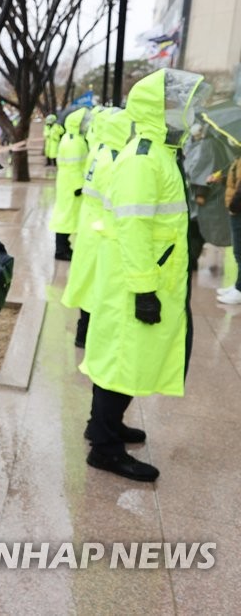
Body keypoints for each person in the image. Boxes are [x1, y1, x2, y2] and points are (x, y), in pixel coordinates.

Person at [80, 68, 211, 482]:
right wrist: (143, 291)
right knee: (121, 360)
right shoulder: (142, 160)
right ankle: (104, 447)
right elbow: (133, 229)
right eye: (179, 106)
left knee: (131, 359)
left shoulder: (158, 153)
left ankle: (104, 425)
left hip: (154, 277)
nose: (186, 114)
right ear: (159, 110)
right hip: (138, 281)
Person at [61, 107, 128, 348]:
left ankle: (84, 332)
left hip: (91, 224)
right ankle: (86, 334)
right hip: (101, 227)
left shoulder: (99, 150)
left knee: (88, 280)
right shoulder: (113, 159)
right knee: (95, 285)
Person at [49, 108, 90, 260]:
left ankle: (63, 247)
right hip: (71, 185)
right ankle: (61, 249)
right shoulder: (74, 142)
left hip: (68, 184)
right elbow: (74, 167)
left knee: (66, 215)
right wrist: (79, 185)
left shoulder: (72, 138)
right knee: (66, 217)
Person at [215, 148, 241, 304]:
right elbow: (235, 180)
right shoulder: (238, 158)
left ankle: (239, 290)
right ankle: (238, 285)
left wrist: (234, 206)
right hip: (236, 210)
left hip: (238, 211)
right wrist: (222, 179)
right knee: (238, 253)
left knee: (240, 253)